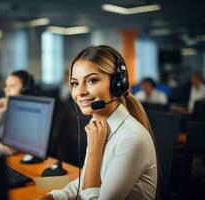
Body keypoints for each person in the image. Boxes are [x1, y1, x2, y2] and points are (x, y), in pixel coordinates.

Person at [39, 45, 158, 200]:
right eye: (75, 83)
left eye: (92, 80)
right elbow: (83, 184)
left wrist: (95, 151)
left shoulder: (133, 138)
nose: (80, 92)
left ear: (118, 84)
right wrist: (52, 197)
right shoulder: (98, 125)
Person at [0, 70, 35, 155]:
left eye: (12, 86)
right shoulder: (3, 108)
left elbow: (9, 149)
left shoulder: (30, 114)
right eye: (6, 85)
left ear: (25, 90)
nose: (6, 89)